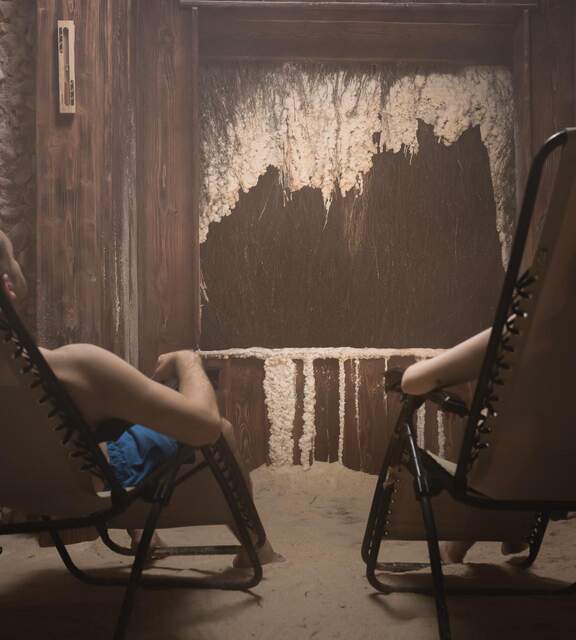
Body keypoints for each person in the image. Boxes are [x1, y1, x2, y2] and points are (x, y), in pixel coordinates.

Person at [0, 229, 279, 567]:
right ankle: (257, 548)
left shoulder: (30, 378)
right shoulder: (74, 368)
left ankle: (147, 540)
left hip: (28, 492)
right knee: (220, 428)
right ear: (7, 283)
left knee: (121, 425)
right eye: (13, 257)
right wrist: (187, 361)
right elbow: (204, 428)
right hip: (95, 489)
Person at [397, 329, 528, 564]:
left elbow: (411, 382)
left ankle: (463, 544)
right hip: (561, 477)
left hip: (500, 474)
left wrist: (455, 377)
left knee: (493, 447)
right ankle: (515, 525)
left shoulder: (522, 329)